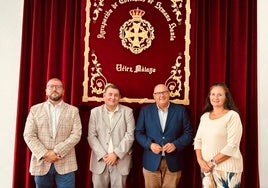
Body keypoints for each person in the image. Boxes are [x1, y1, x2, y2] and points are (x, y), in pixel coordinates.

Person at [23, 78, 82, 188]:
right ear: (46, 90)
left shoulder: (73, 111)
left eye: (58, 87)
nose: (54, 89)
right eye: (51, 86)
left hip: (66, 163)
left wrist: (56, 151)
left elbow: (76, 134)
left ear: (63, 91)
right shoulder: (35, 110)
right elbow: (29, 135)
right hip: (41, 162)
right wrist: (45, 154)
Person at [135, 83, 193, 188]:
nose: (161, 95)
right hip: (151, 161)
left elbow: (188, 133)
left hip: (174, 161)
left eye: (164, 92)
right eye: (158, 93)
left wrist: (176, 144)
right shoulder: (145, 111)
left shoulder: (180, 111)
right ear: (154, 96)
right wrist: (150, 145)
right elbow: (138, 133)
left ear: (169, 93)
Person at [194, 82, 243, 188]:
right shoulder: (205, 117)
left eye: (219, 95)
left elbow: (232, 146)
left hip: (227, 169)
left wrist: (211, 163)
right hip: (206, 169)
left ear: (226, 97)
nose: (215, 97)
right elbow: (198, 141)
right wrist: (200, 161)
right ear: (209, 97)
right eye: (213, 94)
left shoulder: (232, 116)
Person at [87, 84, 135, 188]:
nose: (112, 97)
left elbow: (130, 135)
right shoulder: (95, 112)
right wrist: (104, 155)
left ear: (119, 97)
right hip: (100, 160)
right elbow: (91, 136)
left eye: (116, 95)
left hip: (120, 160)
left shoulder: (128, 112)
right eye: (110, 94)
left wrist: (116, 154)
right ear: (104, 96)